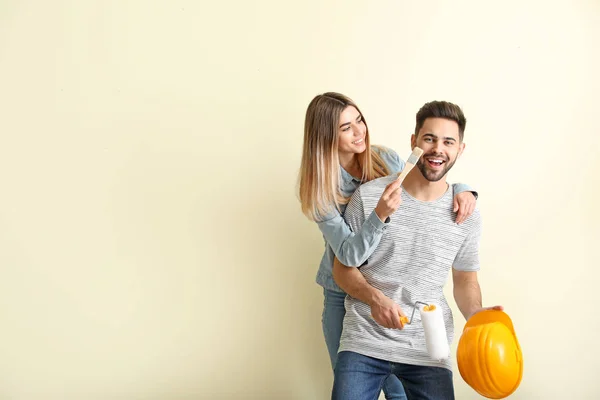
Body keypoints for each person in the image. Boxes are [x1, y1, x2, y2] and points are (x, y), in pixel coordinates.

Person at [297, 92, 479, 400]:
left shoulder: (384, 158)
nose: (360, 132)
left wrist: (463, 190)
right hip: (342, 288)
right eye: (346, 128)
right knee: (352, 378)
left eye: (359, 121)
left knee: (398, 391)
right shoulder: (321, 191)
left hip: (395, 293)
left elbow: (427, 174)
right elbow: (348, 257)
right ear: (326, 137)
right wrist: (379, 214)